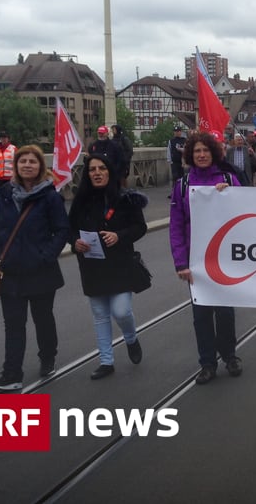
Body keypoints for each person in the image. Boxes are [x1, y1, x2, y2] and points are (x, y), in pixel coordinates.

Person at [0, 145, 69, 391]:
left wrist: (45, 256)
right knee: (13, 323)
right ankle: (12, 373)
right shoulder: (5, 195)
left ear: (40, 167)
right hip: (11, 272)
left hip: (40, 271)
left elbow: (62, 230)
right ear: (17, 166)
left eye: (32, 162)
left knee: (42, 318)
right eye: (23, 162)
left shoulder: (50, 197)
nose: (27, 166)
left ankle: (47, 358)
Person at [169, 132, 242, 385]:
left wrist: (231, 193)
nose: (201, 155)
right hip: (195, 260)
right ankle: (207, 363)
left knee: (224, 312)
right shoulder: (182, 185)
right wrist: (181, 263)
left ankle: (230, 355)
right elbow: (176, 227)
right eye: (197, 151)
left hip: (223, 258)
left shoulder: (227, 179)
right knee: (201, 315)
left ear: (213, 153)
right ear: (190, 155)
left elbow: (244, 211)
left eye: (206, 151)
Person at [68, 154, 147, 380]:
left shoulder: (125, 198)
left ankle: (131, 338)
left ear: (110, 172)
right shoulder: (81, 200)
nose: (97, 173)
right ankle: (106, 361)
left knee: (121, 311)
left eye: (102, 168)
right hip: (92, 265)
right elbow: (68, 229)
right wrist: (75, 243)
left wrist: (119, 235)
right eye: (92, 169)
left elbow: (140, 227)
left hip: (120, 263)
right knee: (100, 314)